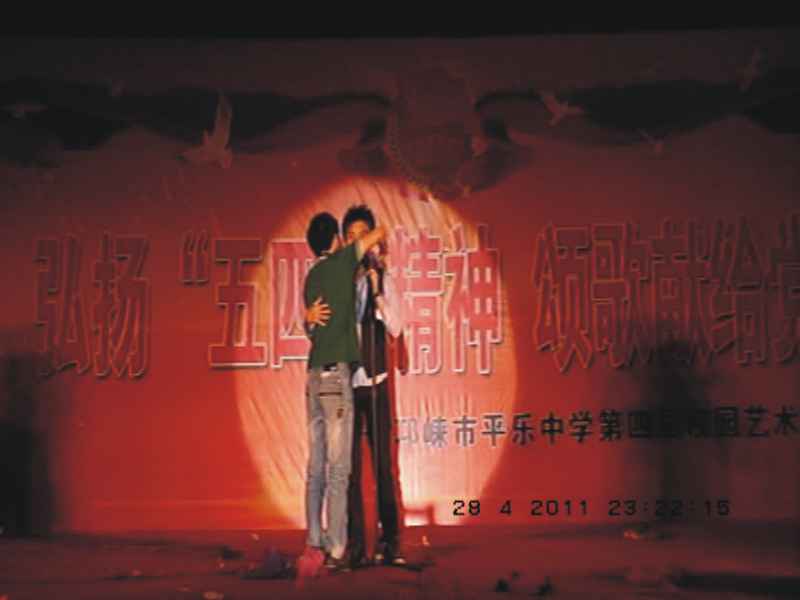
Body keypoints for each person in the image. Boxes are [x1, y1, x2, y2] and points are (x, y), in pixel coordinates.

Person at [306, 205, 406, 568]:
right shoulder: (338, 278)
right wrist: (307, 318)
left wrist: (377, 293)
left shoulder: (384, 276)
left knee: (383, 469)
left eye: (362, 235)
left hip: (375, 384)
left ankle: (390, 543)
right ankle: (354, 546)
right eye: (350, 237)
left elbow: (396, 326)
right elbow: (316, 323)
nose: (356, 242)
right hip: (345, 386)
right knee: (345, 472)